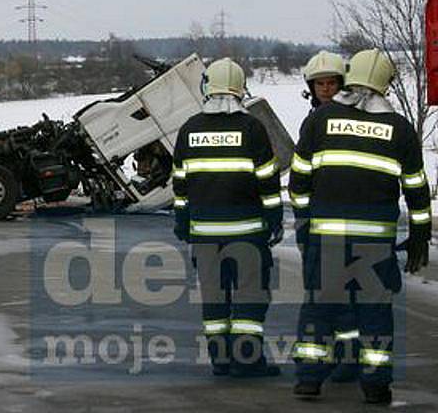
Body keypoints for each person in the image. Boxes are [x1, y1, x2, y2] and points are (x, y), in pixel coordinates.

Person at [289, 49, 431, 404]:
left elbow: (299, 181)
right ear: (385, 84)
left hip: (327, 237)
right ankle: (375, 385)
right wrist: (419, 235)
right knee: (375, 312)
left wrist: (306, 224)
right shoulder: (399, 129)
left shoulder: (319, 122)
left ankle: (309, 379)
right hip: (375, 244)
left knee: (319, 307)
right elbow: (416, 188)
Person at [173, 58, 283, 378]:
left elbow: (180, 183)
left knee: (214, 298)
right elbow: (268, 180)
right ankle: (247, 360)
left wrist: (182, 221)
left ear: (207, 87)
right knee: (250, 296)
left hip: (205, 236)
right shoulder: (252, 128)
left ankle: (220, 359)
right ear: (239, 87)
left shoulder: (190, 128)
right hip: (247, 233)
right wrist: (274, 218)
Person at [293, 51, 360, 383]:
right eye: (320, 83)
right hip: (322, 219)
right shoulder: (312, 121)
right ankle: (339, 358)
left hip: (333, 221)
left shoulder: (347, 120)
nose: (326, 89)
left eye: (332, 82)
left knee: (337, 295)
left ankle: (343, 361)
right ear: (311, 86)